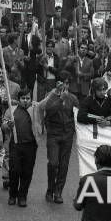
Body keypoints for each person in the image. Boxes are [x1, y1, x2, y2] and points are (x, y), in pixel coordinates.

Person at [3, 87, 45, 207]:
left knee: (27, 172)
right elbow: (3, 125)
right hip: (15, 145)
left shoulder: (36, 108)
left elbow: (46, 103)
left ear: (31, 99)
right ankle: (12, 195)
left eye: (28, 98)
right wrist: (8, 125)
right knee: (14, 171)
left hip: (31, 146)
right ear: (19, 99)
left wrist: (55, 92)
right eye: (23, 98)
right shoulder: (11, 109)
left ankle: (22, 196)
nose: (25, 100)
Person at [43, 73, 79, 204]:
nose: (65, 86)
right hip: (53, 134)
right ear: (57, 84)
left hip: (67, 134)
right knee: (53, 163)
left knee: (64, 165)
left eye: (67, 83)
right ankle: (50, 189)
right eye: (62, 83)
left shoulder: (73, 98)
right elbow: (48, 110)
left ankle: (58, 192)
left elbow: (78, 115)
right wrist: (60, 99)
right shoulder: (50, 96)